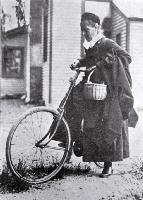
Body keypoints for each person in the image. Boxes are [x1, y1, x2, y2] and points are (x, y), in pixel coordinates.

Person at [65, 12, 138, 178]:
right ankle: (71, 142)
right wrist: (79, 61)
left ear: (96, 27)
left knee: (106, 122)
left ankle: (108, 164)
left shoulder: (107, 42)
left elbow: (125, 57)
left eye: (86, 29)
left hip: (105, 89)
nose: (84, 33)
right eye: (82, 30)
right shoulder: (91, 44)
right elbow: (89, 59)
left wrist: (101, 63)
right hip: (92, 86)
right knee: (71, 100)